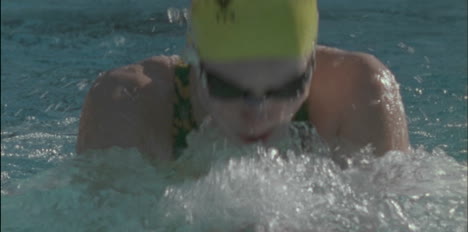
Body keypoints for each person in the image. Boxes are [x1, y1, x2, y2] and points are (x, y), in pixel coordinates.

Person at [76, 0, 409, 162]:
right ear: (194, 63)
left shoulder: (359, 92)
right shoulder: (127, 107)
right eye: (228, 89)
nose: (258, 112)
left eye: (285, 88)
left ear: (311, 66)